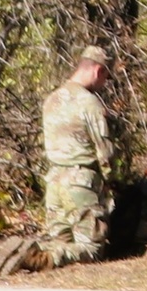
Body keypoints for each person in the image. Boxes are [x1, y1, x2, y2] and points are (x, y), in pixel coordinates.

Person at [41, 45, 115, 265]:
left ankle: (35, 254)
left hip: (54, 182)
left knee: (59, 240)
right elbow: (105, 150)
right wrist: (110, 181)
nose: (104, 85)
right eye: (105, 78)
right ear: (98, 71)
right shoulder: (89, 103)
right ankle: (48, 258)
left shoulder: (52, 99)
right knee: (91, 249)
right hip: (81, 183)